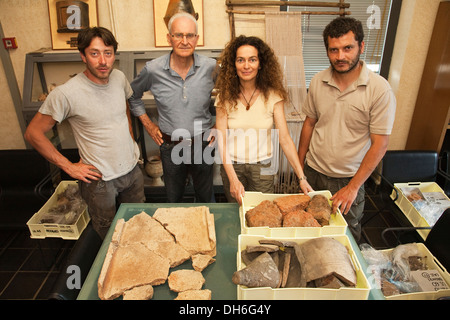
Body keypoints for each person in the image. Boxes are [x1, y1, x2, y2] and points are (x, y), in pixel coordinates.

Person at [24, 27, 145, 239]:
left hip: (132, 170)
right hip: (100, 180)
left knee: (138, 223)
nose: (103, 61)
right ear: (83, 56)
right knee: (108, 232)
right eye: (94, 53)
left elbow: (125, 108)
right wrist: (68, 166)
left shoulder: (118, 77)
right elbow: (33, 133)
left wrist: (130, 141)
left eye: (108, 53)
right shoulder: (66, 93)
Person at [298, 17, 396, 241]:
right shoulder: (317, 81)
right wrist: (300, 168)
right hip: (313, 171)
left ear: (361, 46)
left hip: (349, 178)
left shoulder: (380, 90)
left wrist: (353, 187)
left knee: (345, 236)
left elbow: (381, 143)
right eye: (334, 50)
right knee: (310, 229)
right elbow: (309, 124)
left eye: (347, 48)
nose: (340, 56)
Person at [129, 12, 217, 203]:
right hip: (170, 145)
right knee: (174, 199)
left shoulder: (211, 67)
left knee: (205, 198)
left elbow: (229, 95)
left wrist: (218, 126)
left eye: (190, 35)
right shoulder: (153, 69)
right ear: (169, 38)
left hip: (202, 143)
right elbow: (132, 96)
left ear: (197, 39)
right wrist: (149, 125)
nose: (184, 41)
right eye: (178, 35)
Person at [215, 35, 313, 205]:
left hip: (263, 167)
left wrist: (301, 177)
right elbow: (221, 139)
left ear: (260, 64)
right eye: (241, 60)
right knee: (236, 212)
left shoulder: (274, 96)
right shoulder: (224, 97)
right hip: (233, 167)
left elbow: (285, 139)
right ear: (233, 64)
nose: (246, 66)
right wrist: (233, 178)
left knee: (263, 213)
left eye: (252, 60)